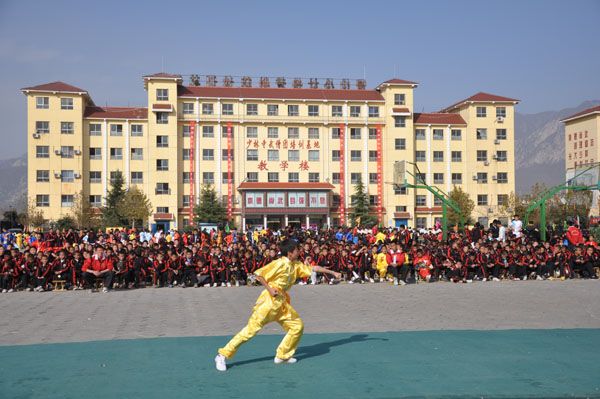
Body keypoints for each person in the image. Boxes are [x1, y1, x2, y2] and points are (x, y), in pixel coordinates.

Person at [214, 239, 341, 371]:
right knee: (250, 331)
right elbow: (258, 273)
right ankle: (222, 355)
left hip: (282, 304)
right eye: (297, 250)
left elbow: (313, 268)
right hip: (268, 303)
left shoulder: (296, 265)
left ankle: (282, 355)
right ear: (290, 252)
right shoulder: (279, 263)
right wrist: (269, 289)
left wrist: (332, 273)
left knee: (297, 326)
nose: (299, 252)